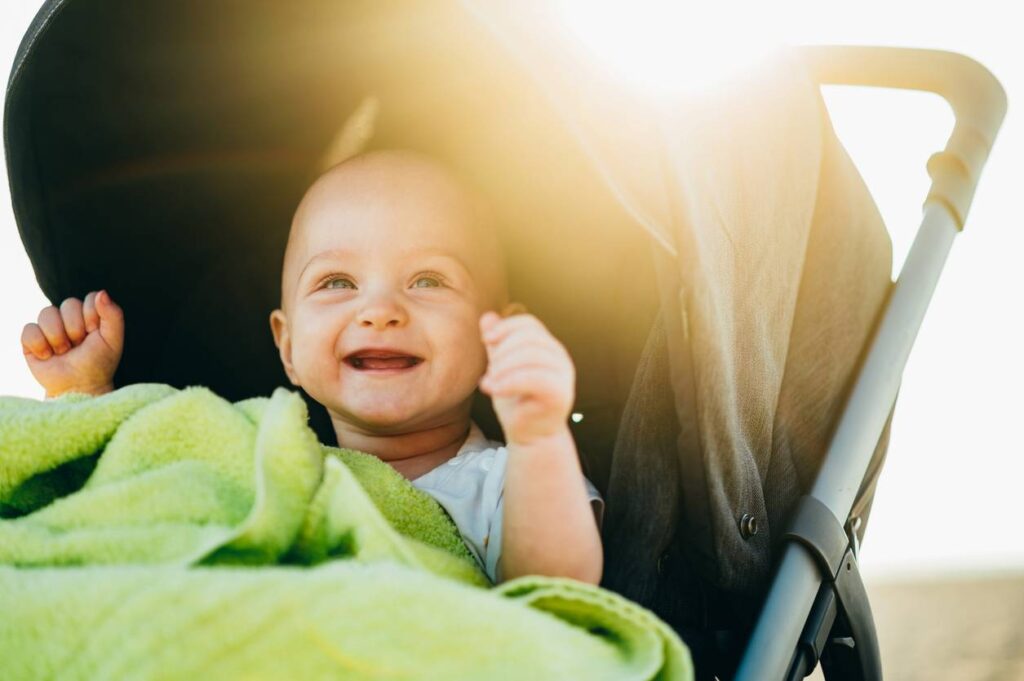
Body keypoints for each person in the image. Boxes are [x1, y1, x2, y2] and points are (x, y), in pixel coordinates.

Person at [19, 150, 604, 585]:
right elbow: (140, 507)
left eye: (428, 280)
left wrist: (538, 434)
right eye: (337, 282)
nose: (379, 311)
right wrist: (83, 393)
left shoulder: (514, 481)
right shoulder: (262, 455)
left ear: (496, 333)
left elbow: (558, 595)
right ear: (288, 346)